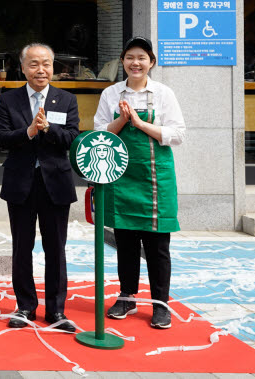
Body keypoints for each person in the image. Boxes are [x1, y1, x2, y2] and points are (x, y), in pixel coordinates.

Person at [94, 36, 186, 329]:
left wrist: (141, 123)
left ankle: (161, 303)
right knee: (126, 241)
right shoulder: (110, 93)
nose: (136, 63)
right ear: (122, 61)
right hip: (121, 177)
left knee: (158, 245)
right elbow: (100, 133)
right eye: (130, 57)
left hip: (156, 178)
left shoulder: (163, 93)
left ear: (151, 63)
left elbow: (178, 134)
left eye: (142, 58)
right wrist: (121, 121)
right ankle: (127, 296)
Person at [0, 43, 80, 331]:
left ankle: (56, 311)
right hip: (21, 183)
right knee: (22, 247)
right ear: (23, 67)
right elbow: (2, 138)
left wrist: (48, 129)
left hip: (55, 183)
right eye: (33, 64)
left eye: (46, 63)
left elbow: (71, 138)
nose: (40, 69)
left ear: (53, 67)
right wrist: (29, 131)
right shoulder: (9, 99)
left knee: (56, 248)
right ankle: (25, 306)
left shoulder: (66, 99)